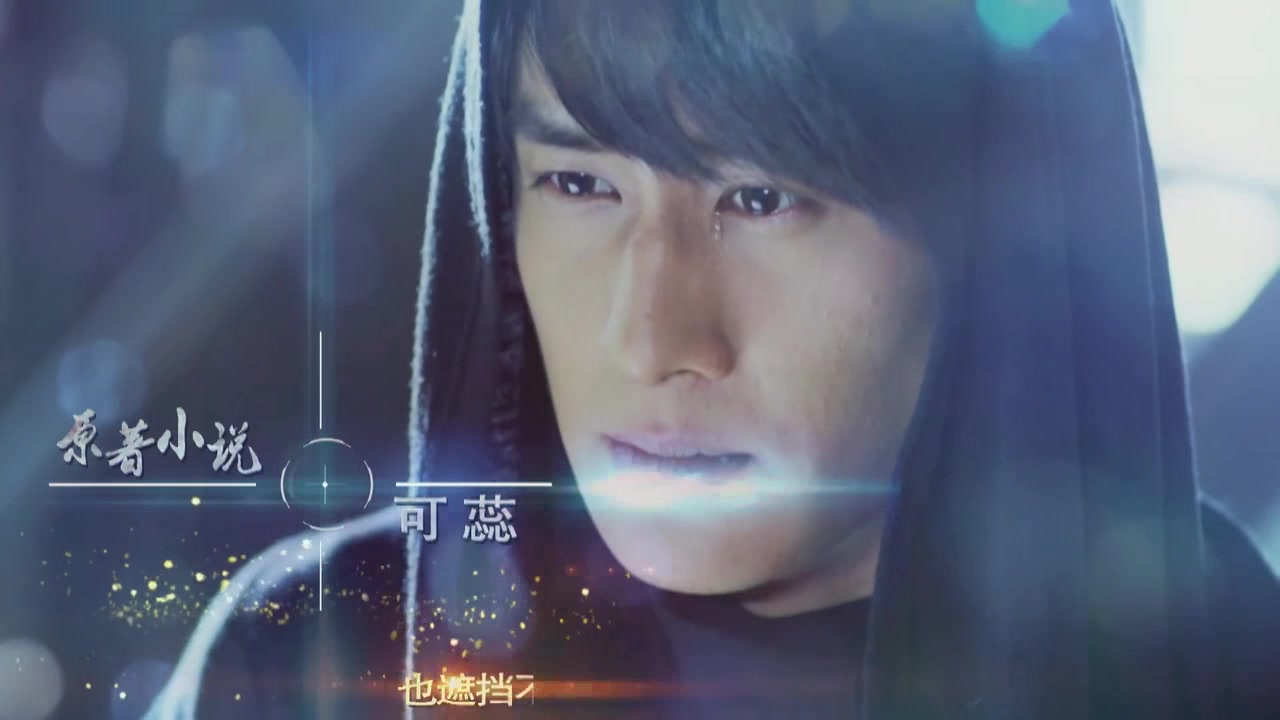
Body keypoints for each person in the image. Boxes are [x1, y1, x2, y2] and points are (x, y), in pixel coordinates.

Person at [147, 1, 1280, 718]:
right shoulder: (317, 652)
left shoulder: (1215, 658)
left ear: (993, 240)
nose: (649, 338)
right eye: (579, 184)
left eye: (762, 198)